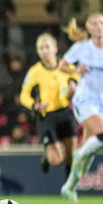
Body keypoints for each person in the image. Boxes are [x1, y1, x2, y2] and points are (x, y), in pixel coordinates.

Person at [59, 13, 103, 202]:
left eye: (102, 23)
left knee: (89, 156)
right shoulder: (81, 48)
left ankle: (69, 187)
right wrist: (75, 70)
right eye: (94, 24)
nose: (98, 26)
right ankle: (78, 154)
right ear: (88, 29)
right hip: (84, 100)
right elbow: (62, 65)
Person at [20, 33, 78, 178]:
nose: (44, 51)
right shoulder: (35, 72)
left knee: (72, 151)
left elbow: (78, 81)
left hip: (65, 111)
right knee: (56, 159)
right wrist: (35, 105)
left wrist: (74, 87)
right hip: (47, 116)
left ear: (55, 49)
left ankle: (69, 182)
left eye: (47, 47)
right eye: (41, 48)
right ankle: (47, 157)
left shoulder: (66, 67)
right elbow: (23, 95)